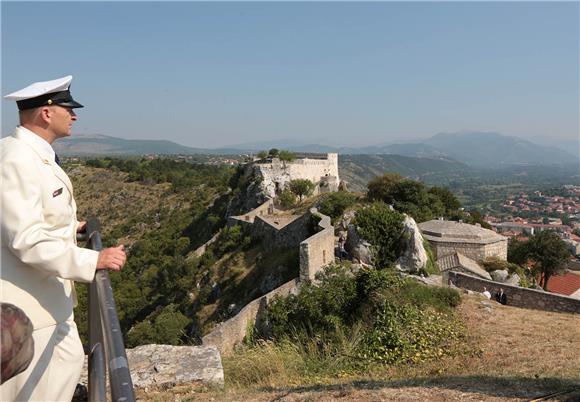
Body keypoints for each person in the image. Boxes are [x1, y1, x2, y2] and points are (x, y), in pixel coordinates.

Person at [1, 76, 127, 401]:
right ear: (46, 113)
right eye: (68, 109)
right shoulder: (16, 158)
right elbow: (25, 238)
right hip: (30, 313)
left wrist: (71, 227)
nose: (74, 116)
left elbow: (34, 217)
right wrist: (93, 259)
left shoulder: (29, 153)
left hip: (46, 304)